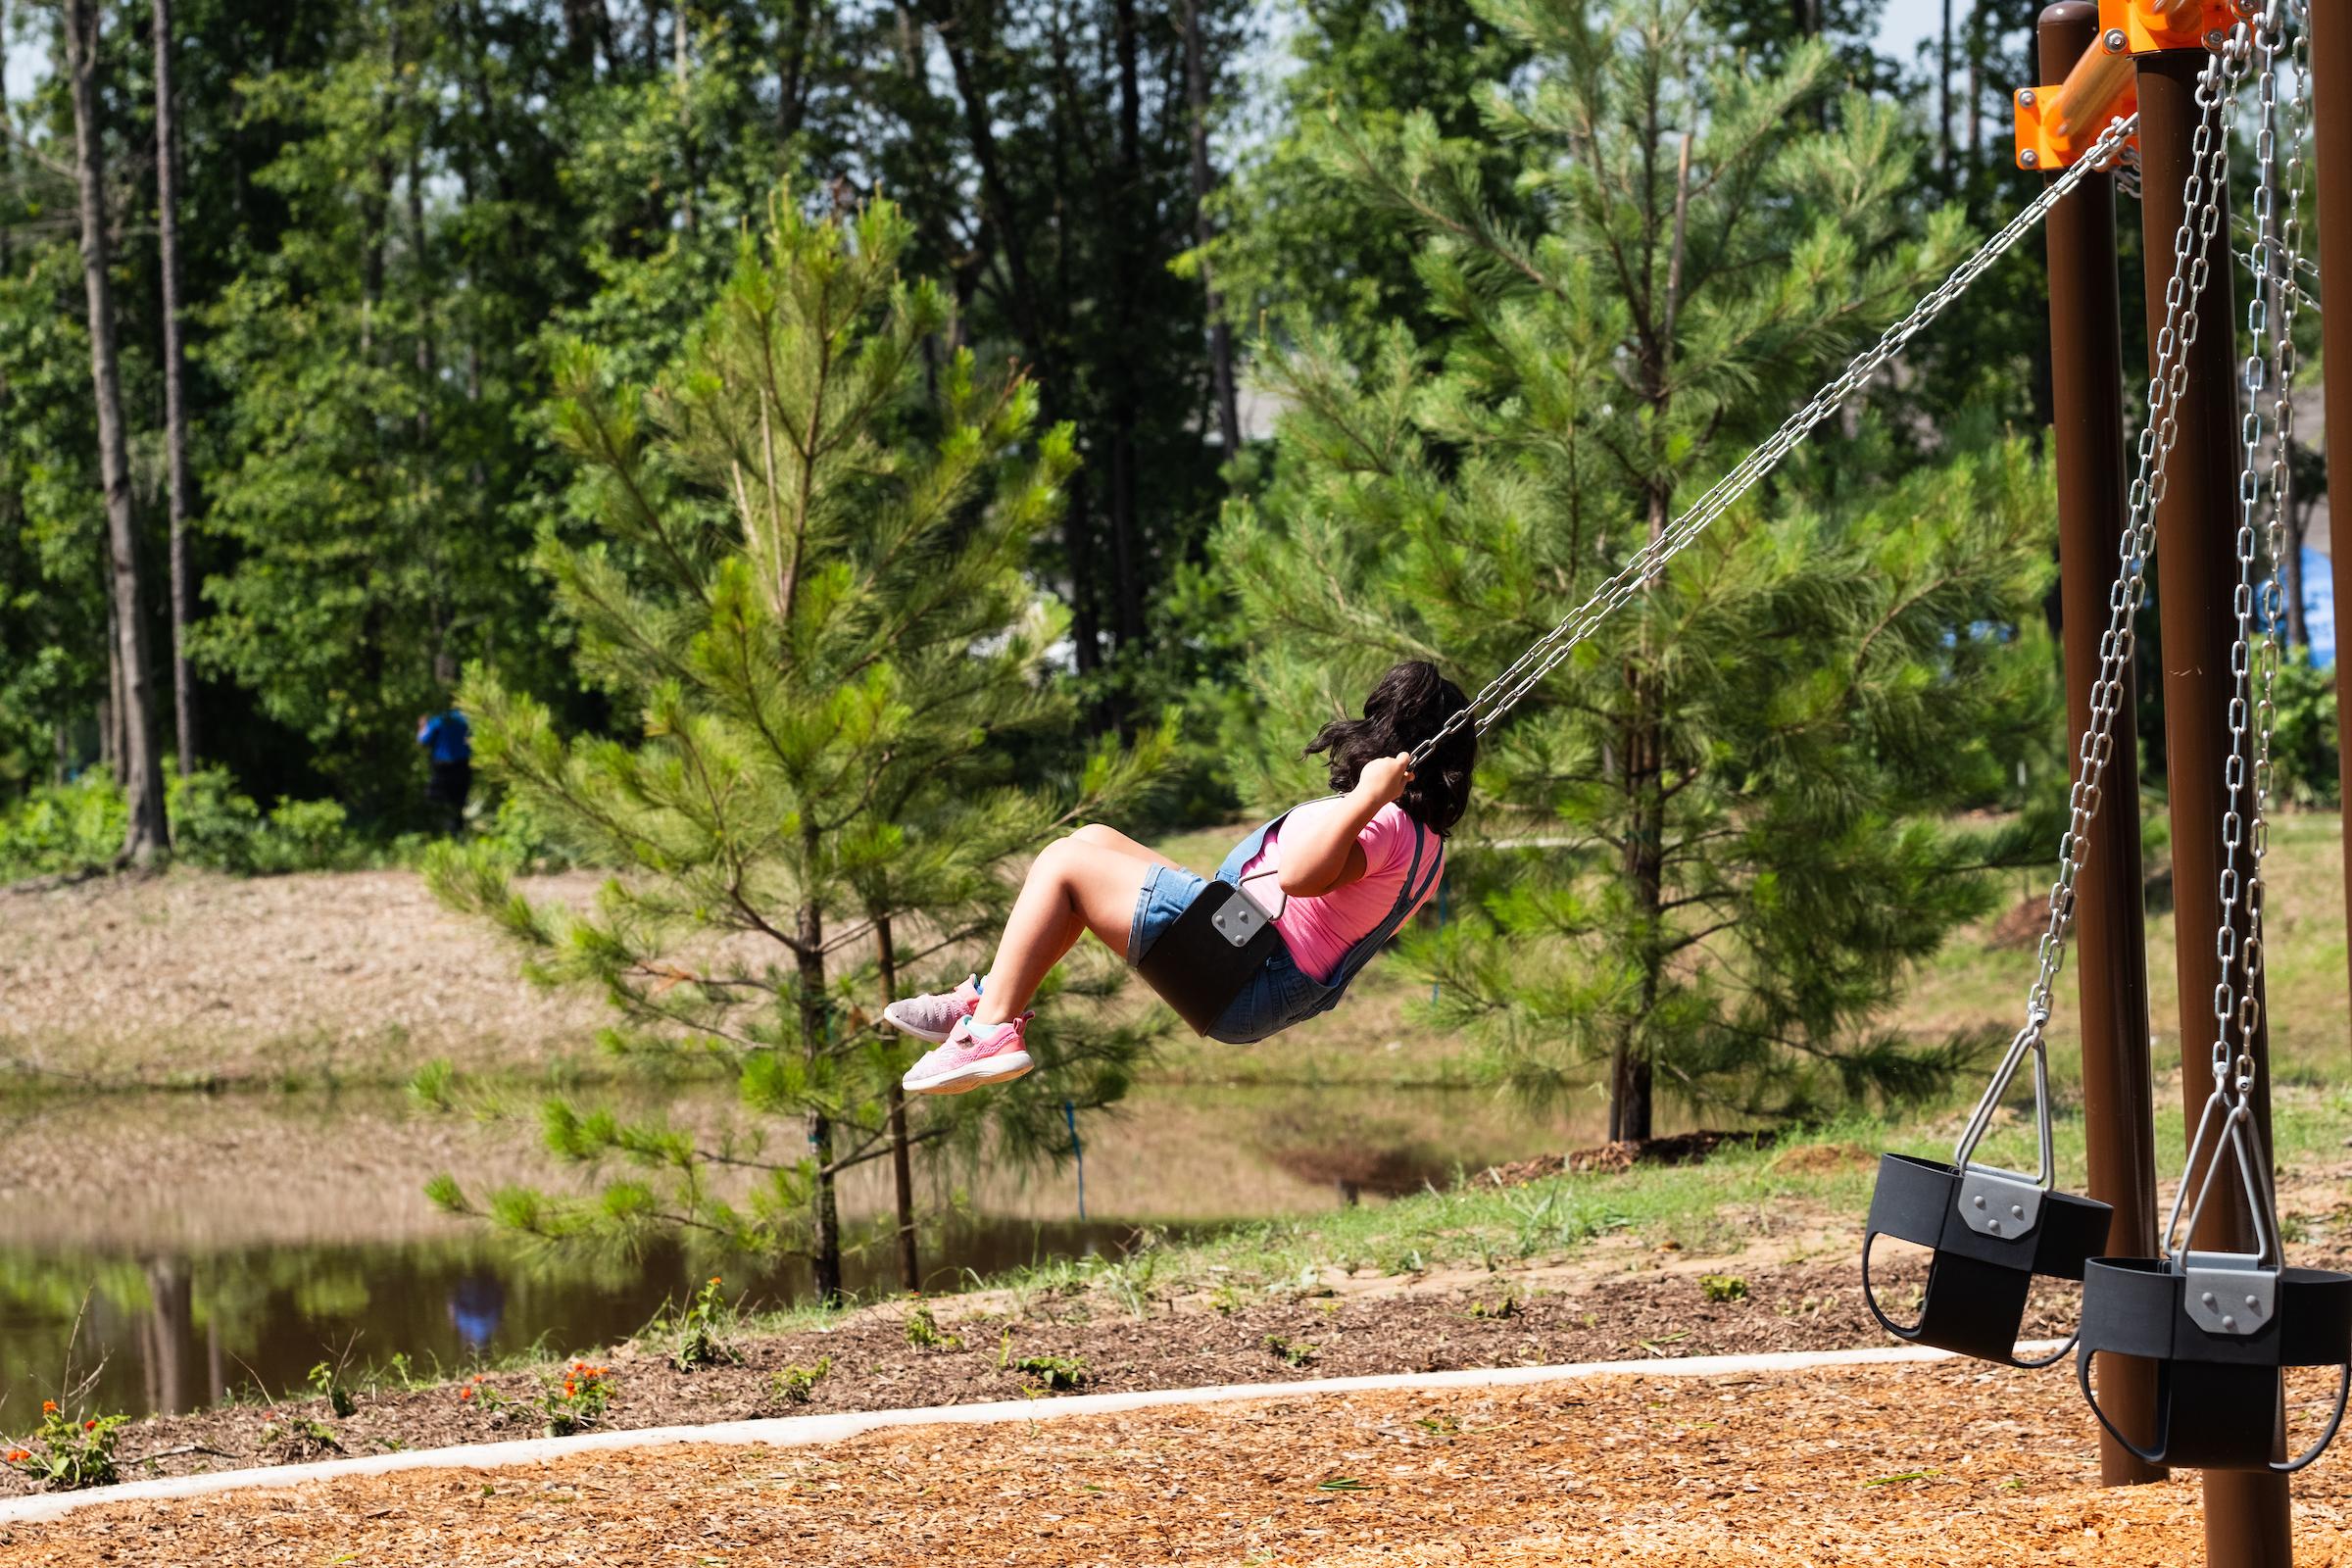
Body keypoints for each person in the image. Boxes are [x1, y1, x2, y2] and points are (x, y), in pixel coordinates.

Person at [886, 661, 1477, 1094]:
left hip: (1245, 966)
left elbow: (1298, 876)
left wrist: (1366, 797)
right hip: (1248, 956)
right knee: (1092, 839)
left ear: (1394, 743)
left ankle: (989, 1031)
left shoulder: (1386, 821)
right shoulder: (1426, 846)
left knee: (1063, 864)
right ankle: (990, 996)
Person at [416, 703, 473, 834]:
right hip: (463, 765)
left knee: (439, 800)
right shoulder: (466, 719)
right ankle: (457, 832)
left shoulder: (438, 720)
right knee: (459, 801)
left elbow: (423, 739)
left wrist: (422, 726)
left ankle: (440, 833)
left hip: (442, 766)